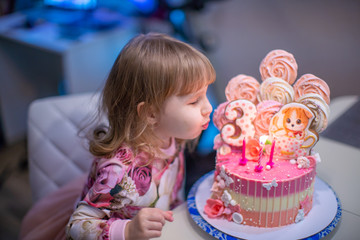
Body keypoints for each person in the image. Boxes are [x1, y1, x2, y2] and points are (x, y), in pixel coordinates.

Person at [62, 33, 216, 239]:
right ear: (151, 113)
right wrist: (128, 230)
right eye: (194, 101)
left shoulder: (172, 136)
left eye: (205, 95)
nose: (209, 108)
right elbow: (76, 226)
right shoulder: (118, 172)